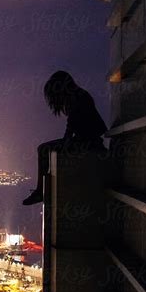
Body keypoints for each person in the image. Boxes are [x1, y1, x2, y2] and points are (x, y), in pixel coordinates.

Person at [22, 71, 107, 205]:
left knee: (43, 149)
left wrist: (65, 143)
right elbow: (72, 126)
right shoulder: (79, 96)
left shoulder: (78, 98)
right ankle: (40, 190)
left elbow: (71, 126)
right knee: (44, 149)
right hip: (87, 141)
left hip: (88, 142)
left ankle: (40, 191)